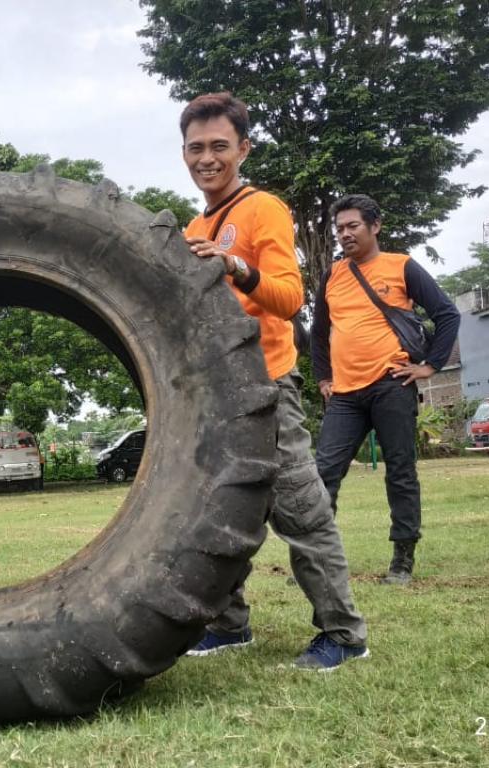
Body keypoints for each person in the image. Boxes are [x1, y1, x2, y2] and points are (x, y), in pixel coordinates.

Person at [179, 92, 369, 670]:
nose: (207, 158)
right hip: (220, 389)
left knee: (300, 510)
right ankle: (227, 624)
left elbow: (289, 301)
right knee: (219, 509)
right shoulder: (194, 224)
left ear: (243, 148)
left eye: (219, 146)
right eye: (195, 148)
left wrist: (234, 265)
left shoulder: (264, 209)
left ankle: (343, 633)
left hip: (267, 383)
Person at [311, 194, 460, 585]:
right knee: (323, 473)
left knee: (400, 472)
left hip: (392, 385)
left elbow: (446, 314)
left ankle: (402, 559)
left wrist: (430, 366)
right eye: (339, 228)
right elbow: (319, 331)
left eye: (352, 226)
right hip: (344, 394)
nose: (344, 234)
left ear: (375, 226)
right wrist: (324, 378)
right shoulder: (333, 275)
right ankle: (317, 560)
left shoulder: (402, 267)